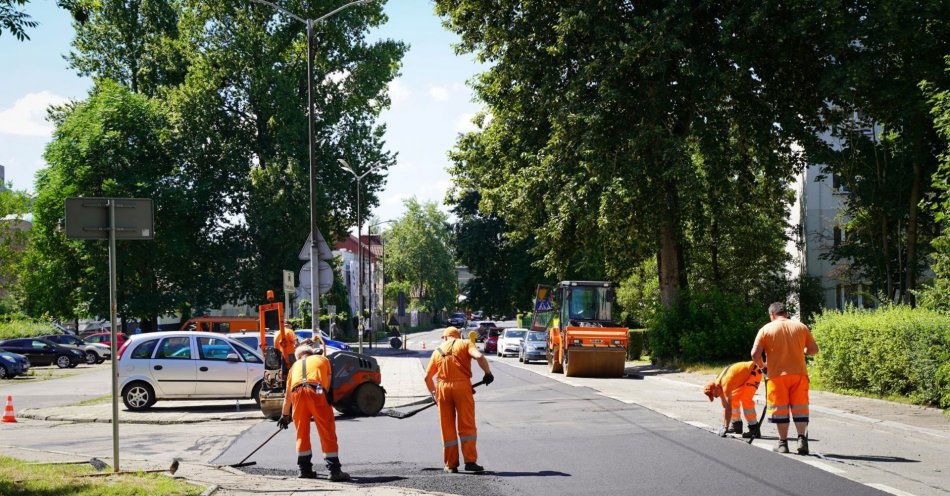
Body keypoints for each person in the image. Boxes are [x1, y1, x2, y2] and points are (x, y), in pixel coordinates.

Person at [751, 302, 820, 454]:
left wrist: (763, 367)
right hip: (799, 374)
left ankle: (783, 443)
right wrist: (802, 350)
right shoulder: (801, 327)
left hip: (776, 376)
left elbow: (755, 354)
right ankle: (802, 439)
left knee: (780, 410)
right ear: (786, 313)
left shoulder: (766, 329)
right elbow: (814, 350)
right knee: (800, 408)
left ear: (772, 315)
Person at [423, 327, 494, 473]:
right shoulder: (466, 343)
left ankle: (451, 464)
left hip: (442, 389)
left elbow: (427, 377)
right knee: (466, 424)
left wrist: (434, 394)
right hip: (462, 387)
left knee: (447, 426)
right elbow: (479, 357)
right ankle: (470, 461)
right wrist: (488, 373)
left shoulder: (437, 351)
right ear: (458, 335)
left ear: (444, 338)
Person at [277, 343, 350, 481]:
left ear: (299, 356)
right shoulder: (323, 360)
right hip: (316, 391)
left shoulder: (294, 367)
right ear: (311, 353)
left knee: (301, 432)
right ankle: (334, 471)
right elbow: (327, 383)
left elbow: (288, 395)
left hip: (297, 394)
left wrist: (284, 415)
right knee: (326, 431)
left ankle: (304, 470)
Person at [704, 361, 763, 439]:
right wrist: (724, 425)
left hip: (754, 371)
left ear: (716, 388)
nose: (716, 397)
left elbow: (728, 408)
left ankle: (754, 429)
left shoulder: (726, 385)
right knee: (734, 399)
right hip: (744, 376)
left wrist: (725, 426)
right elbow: (725, 406)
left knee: (745, 399)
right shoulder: (718, 385)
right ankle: (736, 425)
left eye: (715, 395)